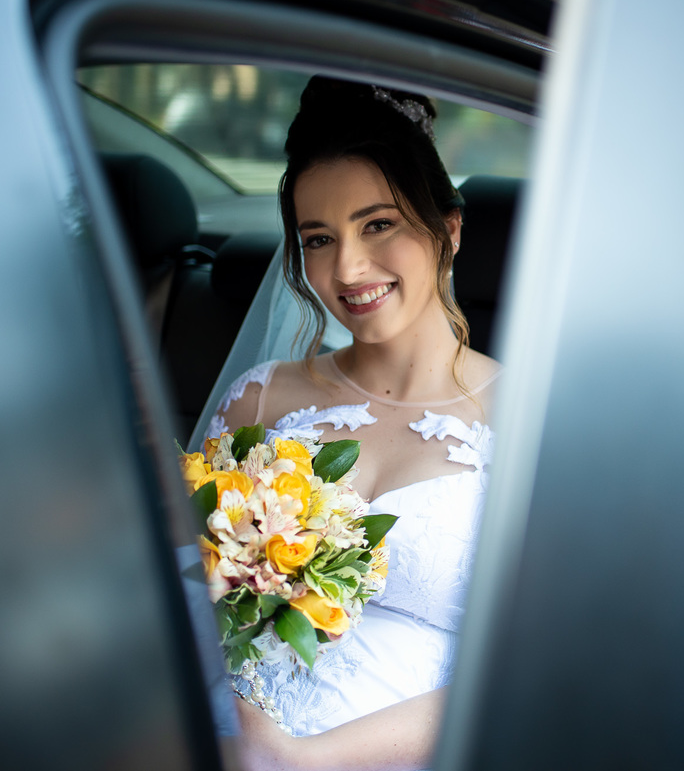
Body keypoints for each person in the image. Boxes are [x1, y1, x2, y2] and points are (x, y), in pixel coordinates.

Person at [202, 76, 501, 771]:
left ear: (446, 230)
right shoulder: (259, 401)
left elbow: (539, 662)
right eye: (318, 238)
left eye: (378, 224)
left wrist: (298, 759)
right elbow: (197, 594)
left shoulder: (536, 422)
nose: (348, 267)